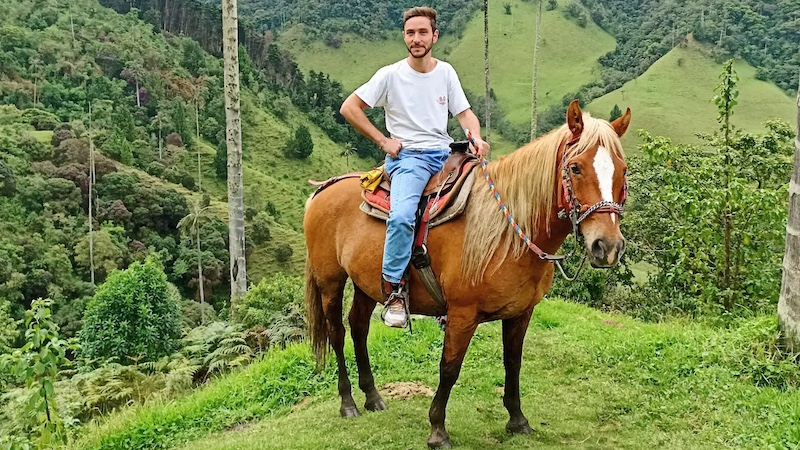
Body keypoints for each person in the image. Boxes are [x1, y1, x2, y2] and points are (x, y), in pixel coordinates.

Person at [340, 6, 489, 328]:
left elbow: (464, 114)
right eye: (411, 33)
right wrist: (383, 141)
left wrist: (475, 136)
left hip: (449, 154)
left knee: (484, 206)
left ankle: (459, 289)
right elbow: (350, 107)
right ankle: (394, 290)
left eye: (423, 32)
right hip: (409, 159)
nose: (417, 38)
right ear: (404, 37)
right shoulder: (390, 75)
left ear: (435, 36)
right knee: (403, 216)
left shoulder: (446, 72)